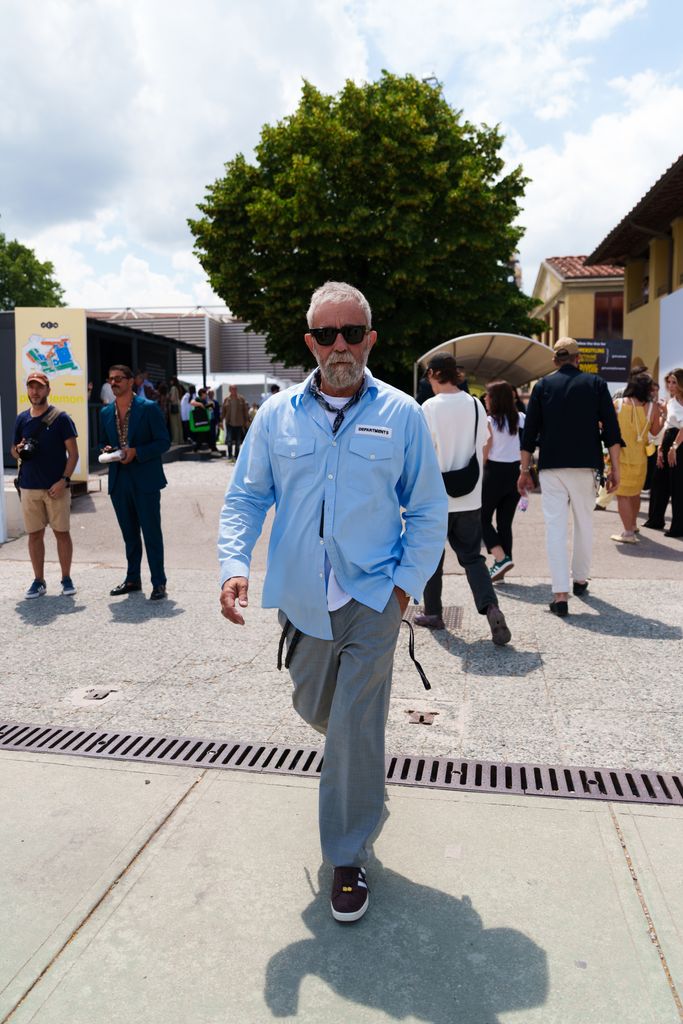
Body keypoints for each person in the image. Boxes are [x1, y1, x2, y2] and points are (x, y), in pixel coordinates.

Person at [218, 281, 447, 924]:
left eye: (351, 333)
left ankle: (347, 858)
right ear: (310, 342)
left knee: (353, 720)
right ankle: (360, 768)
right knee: (319, 707)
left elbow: (427, 510)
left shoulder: (402, 414)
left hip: (374, 596)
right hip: (302, 600)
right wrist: (234, 567)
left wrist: (402, 592)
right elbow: (245, 500)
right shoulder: (276, 416)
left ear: (371, 339)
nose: (339, 345)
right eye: (326, 334)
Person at [519, 338, 622, 617]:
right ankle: (580, 579)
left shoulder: (542, 387)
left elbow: (529, 434)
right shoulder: (596, 385)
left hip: (552, 465)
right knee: (584, 523)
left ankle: (560, 594)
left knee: (555, 528)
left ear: (555, 360)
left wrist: (524, 470)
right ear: (578, 359)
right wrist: (616, 469)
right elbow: (612, 431)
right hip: (587, 465)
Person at [415, 354, 511, 645]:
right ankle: (490, 607)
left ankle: (433, 613)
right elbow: (484, 445)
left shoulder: (428, 408)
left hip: (436, 497)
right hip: (470, 497)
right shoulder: (474, 404)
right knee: (472, 558)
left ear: (433, 373)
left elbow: (422, 452)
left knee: (433, 557)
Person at [100, 365, 171, 600]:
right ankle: (132, 579)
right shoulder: (105, 413)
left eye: (118, 379)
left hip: (145, 479)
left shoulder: (148, 409)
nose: (114, 383)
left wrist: (137, 452)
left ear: (132, 381)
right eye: (110, 379)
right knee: (129, 535)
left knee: (151, 533)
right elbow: (105, 442)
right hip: (119, 480)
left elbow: (163, 442)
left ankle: (158, 582)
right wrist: (109, 450)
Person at [11, 371, 79, 598]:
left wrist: (64, 480)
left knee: (62, 533)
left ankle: (66, 578)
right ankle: (38, 581)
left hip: (56, 487)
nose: (35, 392)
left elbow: (74, 454)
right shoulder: (22, 418)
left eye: (39, 387)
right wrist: (18, 450)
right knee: (34, 535)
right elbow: (14, 450)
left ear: (48, 390)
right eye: (31, 387)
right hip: (29, 486)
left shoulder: (61, 418)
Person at [610, 373, 664, 544]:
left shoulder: (618, 404)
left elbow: (606, 427)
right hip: (641, 458)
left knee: (623, 496)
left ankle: (627, 533)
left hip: (621, 456)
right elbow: (655, 431)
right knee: (634, 493)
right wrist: (664, 415)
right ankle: (632, 525)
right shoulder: (652, 407)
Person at [481, 380, 525, 581]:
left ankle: (500, 558)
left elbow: (486, 450)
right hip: (515, 473)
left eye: (487, 396)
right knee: (504, 523)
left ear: (495, 399)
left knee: (481, 518)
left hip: (494, 472)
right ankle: (503, 565)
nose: (484, 399)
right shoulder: (521, 419)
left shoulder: (489, 422)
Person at [643, 368, 683, 536]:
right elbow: (667, 424)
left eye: (674, 382)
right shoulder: (670, 401)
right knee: (658, 481)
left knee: (678, 485)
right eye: (669, 382)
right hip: (667, 440)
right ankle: (656, 519)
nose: (670, 385)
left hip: (679, 442)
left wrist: (674, 447)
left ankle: (678, 527)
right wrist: (661, 447)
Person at [220, 383, 249, 459]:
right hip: (229, 423)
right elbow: (223, 411)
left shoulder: (241, 399)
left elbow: (245, 410)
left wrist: (246, 421)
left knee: (238, 441)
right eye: (232, 389)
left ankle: (236, 456)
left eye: (235, 389)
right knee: (229, 440)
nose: (234, 390)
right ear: (230, 390)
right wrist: (221, 421)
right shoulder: (226, 399)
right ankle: (229, 455)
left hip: (239, 423)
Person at [168, 377, 184, 445]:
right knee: (179, 424)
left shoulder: (173, 388)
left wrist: (167, 397)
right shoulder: (178, 388)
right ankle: (180, 440)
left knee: (174, 424)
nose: (170, 382)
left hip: (173, 407)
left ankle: (175, 440)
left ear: (172, 381)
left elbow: (172, 399)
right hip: (178, 406)